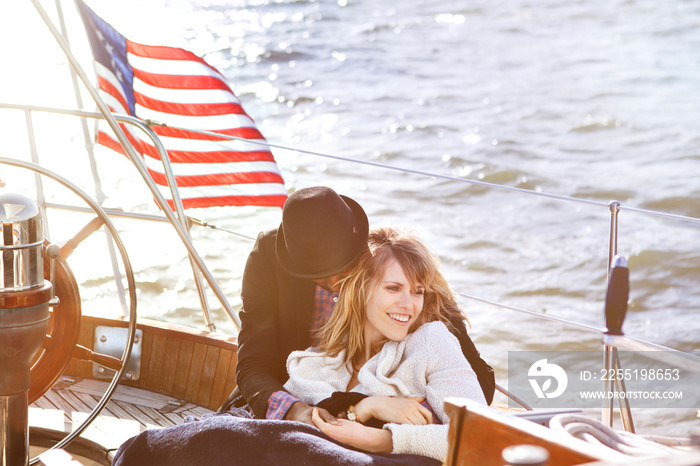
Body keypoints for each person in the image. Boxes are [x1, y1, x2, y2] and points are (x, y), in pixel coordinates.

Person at [233, 186, 494, 426]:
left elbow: (479, 379)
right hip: (289, 402)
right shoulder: (268, 257)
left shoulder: (386, 261)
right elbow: (252, 363)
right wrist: (296, 411)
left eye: (343, 267)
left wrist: (402, 412)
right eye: (320, 277)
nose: (336, 282)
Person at [282, 227, 487, 461]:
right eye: (393, 288)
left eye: (417, 291)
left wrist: (379, 440)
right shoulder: (327, 359)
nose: (408, 304)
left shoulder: (431, 342)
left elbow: (479, 437)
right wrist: (364, 408)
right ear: (360, 289)